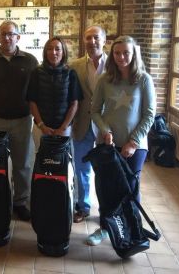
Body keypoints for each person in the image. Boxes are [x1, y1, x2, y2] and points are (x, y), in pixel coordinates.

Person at [86, 35, 156, 246]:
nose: (121, 57)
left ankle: (132, 231)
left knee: (130, 189)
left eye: (126, 52)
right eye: (117, 53)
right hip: (107, 145)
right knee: (106, 187)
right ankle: (105, 228)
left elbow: (150, 114)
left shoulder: (144, 79)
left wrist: (133, 142)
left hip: (135, 146)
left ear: (134, 54)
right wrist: (105, 131)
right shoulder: (105, 80)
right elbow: (95, 111)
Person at [0, 20, 38, 221]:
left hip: (21, 120)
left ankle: (20, 202)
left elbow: (37, 92)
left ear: (18, 37)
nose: (7, 37)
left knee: (22, 164)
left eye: (11, 34)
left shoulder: (30, 61)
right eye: (3, 34)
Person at [69, 26, 107, 223]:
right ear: (83, 41)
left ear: (104, 40)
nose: (92, 42)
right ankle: (83, 207)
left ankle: (106, 209)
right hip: (82, 124)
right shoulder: (74, 65)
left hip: (106, 127)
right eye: (88, 38)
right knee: (82, 168)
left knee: (104, 169)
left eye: (96, 38)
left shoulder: (115, 64)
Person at [27, 37, 82, 148]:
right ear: (45, 52)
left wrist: (63, 128)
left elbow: (74, 104)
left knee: (61, 162)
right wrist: (42, 126)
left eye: (58, 49)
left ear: (63, 52)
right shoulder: (36, 73)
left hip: (63, 129)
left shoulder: (70, 73)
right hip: (40, 129)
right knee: (41, 162)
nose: (53, 52)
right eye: (50, 49)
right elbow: (32, 102)